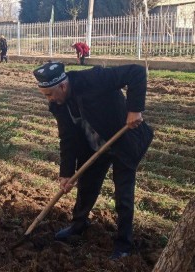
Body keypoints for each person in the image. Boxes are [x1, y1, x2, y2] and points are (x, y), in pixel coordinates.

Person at [33, 62, 153, 259]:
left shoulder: (93, 79)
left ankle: (124, 244)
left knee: (123, 194)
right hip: (94, 146)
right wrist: (66, 173)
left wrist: (134, 109)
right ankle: (78, 226)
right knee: (86, 186)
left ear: (62, 86)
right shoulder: (58, 104)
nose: (49, 99)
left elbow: (137, 72)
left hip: (123, 141)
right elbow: (67, 138)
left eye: (49, 94)